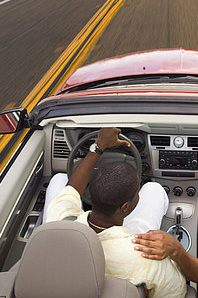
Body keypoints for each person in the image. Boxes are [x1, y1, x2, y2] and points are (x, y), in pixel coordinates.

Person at [46, 127, 187, 298]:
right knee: (154, 189)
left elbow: (72, 189)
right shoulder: (146, 256)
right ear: (125, 207)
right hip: (127, 252)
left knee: (59, 179)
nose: (139, 192)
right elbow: (178, 291)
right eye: (137, 191)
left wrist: (99, 146)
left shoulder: (59, 222)